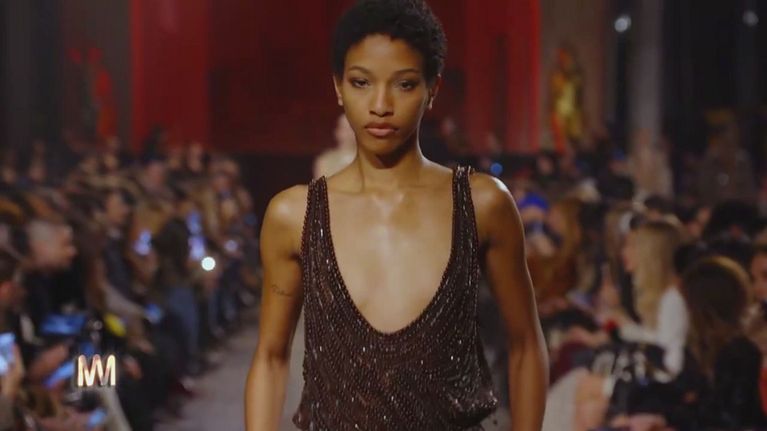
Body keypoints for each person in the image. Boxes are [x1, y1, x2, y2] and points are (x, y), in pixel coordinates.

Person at [244, 1, 548, 430]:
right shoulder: (294, 216)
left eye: (404, 84)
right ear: (338, 87)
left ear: (432, 89)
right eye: (361, 82)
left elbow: (526, 345)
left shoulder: (483, 205)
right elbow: (271, 357)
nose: (380, 104)